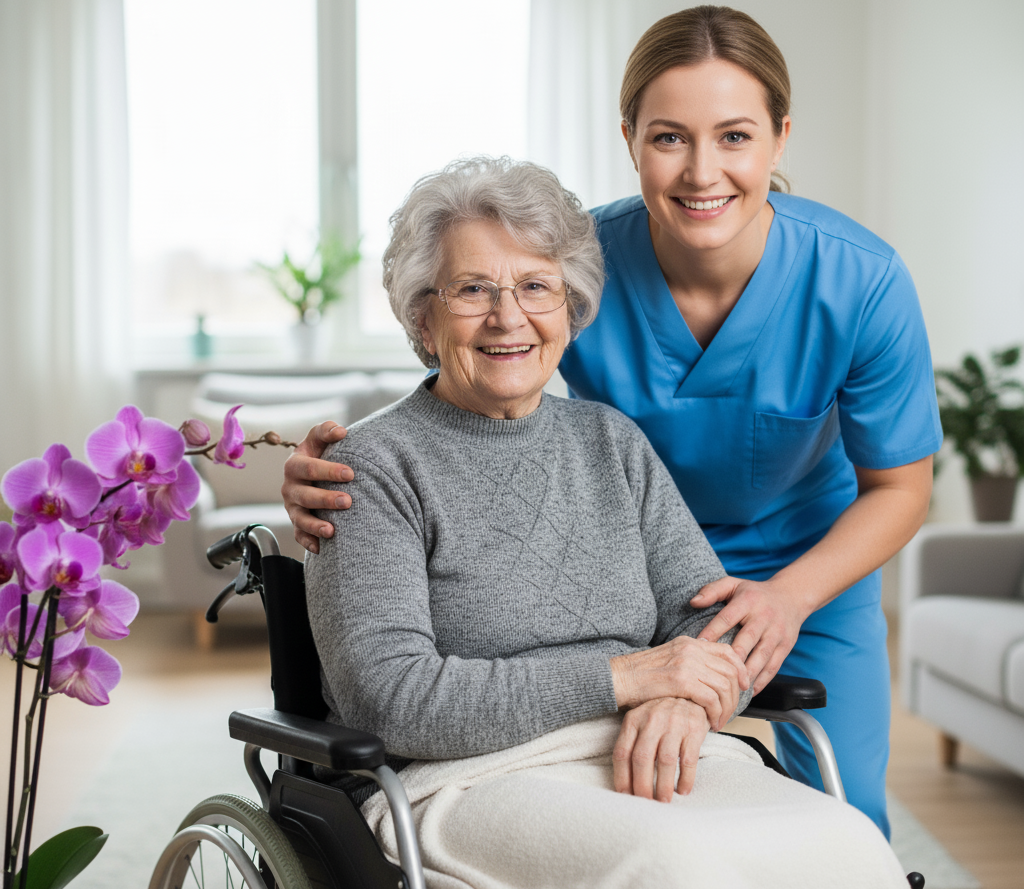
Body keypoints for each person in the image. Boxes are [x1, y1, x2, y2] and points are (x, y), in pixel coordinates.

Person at [286, 6, 941, 838]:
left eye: (735, 136)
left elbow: (901, 486)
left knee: (846, 821)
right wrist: (350, 472)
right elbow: (477, 379)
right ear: (629, 137)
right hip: (632, 571)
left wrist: (774, 608)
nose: (703, 171)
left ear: (780, 138)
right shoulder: (565, 259)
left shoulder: (862, 280)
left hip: (803, 569)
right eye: (670, 137)